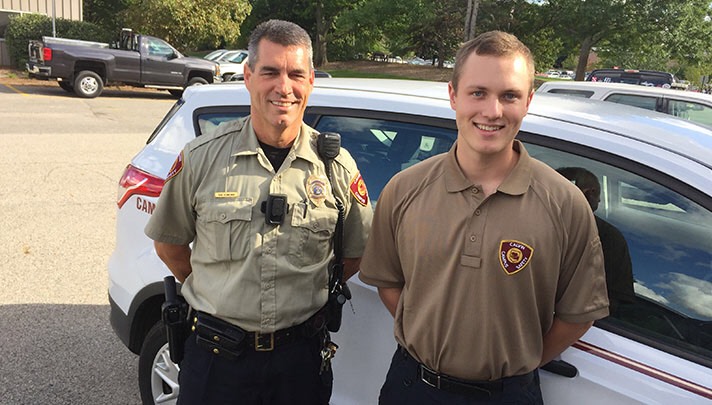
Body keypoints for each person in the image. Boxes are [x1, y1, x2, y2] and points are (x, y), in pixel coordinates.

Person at [358, 31, 609, 404]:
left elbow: (577, 314)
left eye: (509, 95)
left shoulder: (565, 203)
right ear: (453, 96)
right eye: (478, 92)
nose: (492, 111)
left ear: (528, 102)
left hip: (509, 394)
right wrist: (430, 332)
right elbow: (389, 284)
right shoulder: (405, 189)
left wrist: (518, 363)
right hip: (413, 387)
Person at [145, 19, 373, 405]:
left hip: (299, 363)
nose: (284, 87)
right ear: (248, 75)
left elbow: (353, 254)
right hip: (217, 360)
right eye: (270, 72)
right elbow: (170, 246)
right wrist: (223, 293)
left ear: (311, 80)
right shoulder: (202, 158)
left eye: (295, 74)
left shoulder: (337, 167)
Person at [556, 167, 635, 315]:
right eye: (598, 194)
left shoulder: (529, 224)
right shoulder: (609, 238)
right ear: (589, 193)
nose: (599, 200)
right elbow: (616, 302)